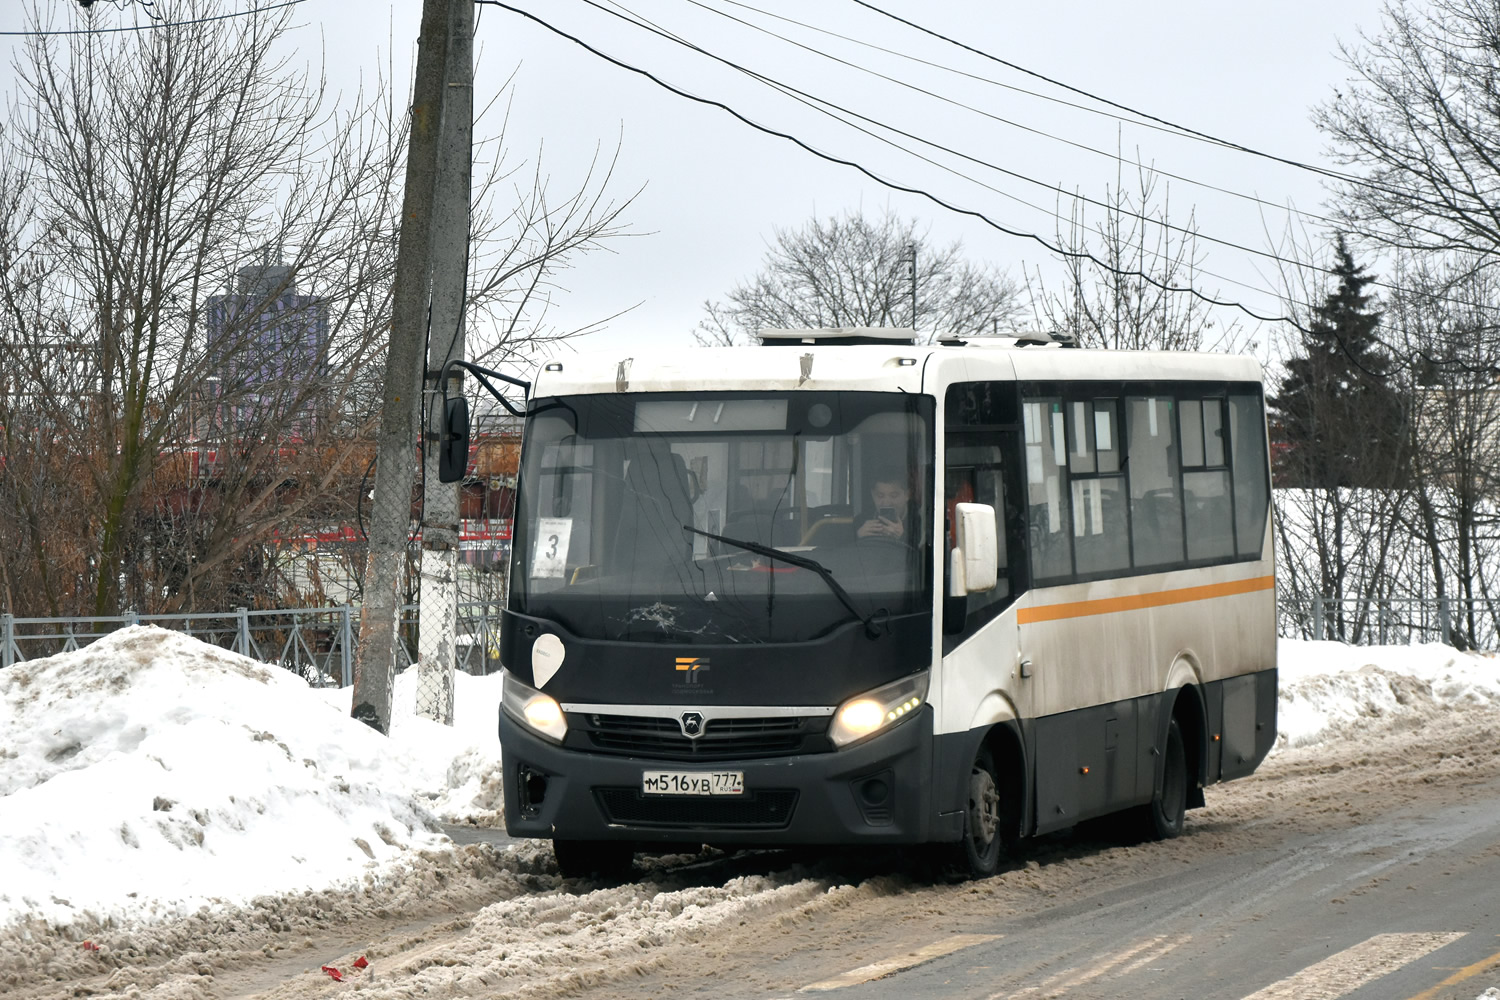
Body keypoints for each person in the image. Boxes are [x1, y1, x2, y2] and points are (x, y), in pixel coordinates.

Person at [856, 470, 914, 542]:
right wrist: (858, 537)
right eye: (880, 496)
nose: (887, 503)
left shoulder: (918, 522)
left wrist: (903, 537)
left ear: (907, 495)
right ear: (873, 495)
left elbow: (921, 551)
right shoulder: (860, 521)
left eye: (894, 496)